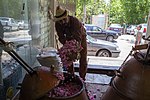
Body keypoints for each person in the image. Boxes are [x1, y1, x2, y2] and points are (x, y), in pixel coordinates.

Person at [53, 6, 87, 80]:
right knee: (67, 58)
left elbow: (78, 39)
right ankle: (70, 76)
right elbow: (61, 37)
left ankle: (82, 78)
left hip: (81, 37)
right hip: (68, 38)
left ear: (67, 16)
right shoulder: (58, 24)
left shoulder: (75, 22)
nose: (63, 22)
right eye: (60, 21)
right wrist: (67, 48)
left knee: (83, 58)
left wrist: (75, 50)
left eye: (64, 19)